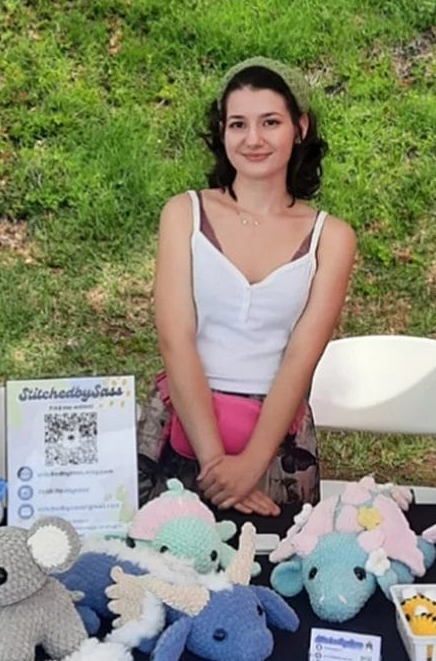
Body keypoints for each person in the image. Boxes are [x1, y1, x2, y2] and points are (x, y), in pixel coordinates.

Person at [137, 57, 356, 516]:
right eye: (238, 124)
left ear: (299, 127)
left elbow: (302, 357)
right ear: (221, 131)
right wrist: (217, 464)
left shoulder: (331, 237)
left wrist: (251, 464)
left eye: (270, 122)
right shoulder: (183, 214)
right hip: (181, 422)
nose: (253, 139)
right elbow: (175, 341)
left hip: (278, 440)